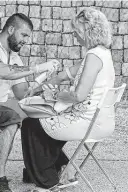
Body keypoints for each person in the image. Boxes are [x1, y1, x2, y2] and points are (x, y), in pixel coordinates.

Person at [20, 7, 115, 192]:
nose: (74, 35)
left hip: (87, 122)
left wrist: (55, 95)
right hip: (100, 120)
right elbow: (66, 75)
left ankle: (48, 183)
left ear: (89, 31)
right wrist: (38, 87)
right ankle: (63, 170)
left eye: (77, 31)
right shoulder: (100, 52)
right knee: (44, 123)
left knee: (31, 124)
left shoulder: (94, 56)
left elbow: (78, 95)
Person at [0, 13, 58, 192]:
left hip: (1, 104)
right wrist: (37, 68)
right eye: (24, 35)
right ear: (11, 30)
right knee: (10, 118)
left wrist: (42, 84)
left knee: (38, 112)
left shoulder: (13, 55)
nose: (26, 40)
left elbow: (21, 93)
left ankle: (38, 169)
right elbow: (0, 71)